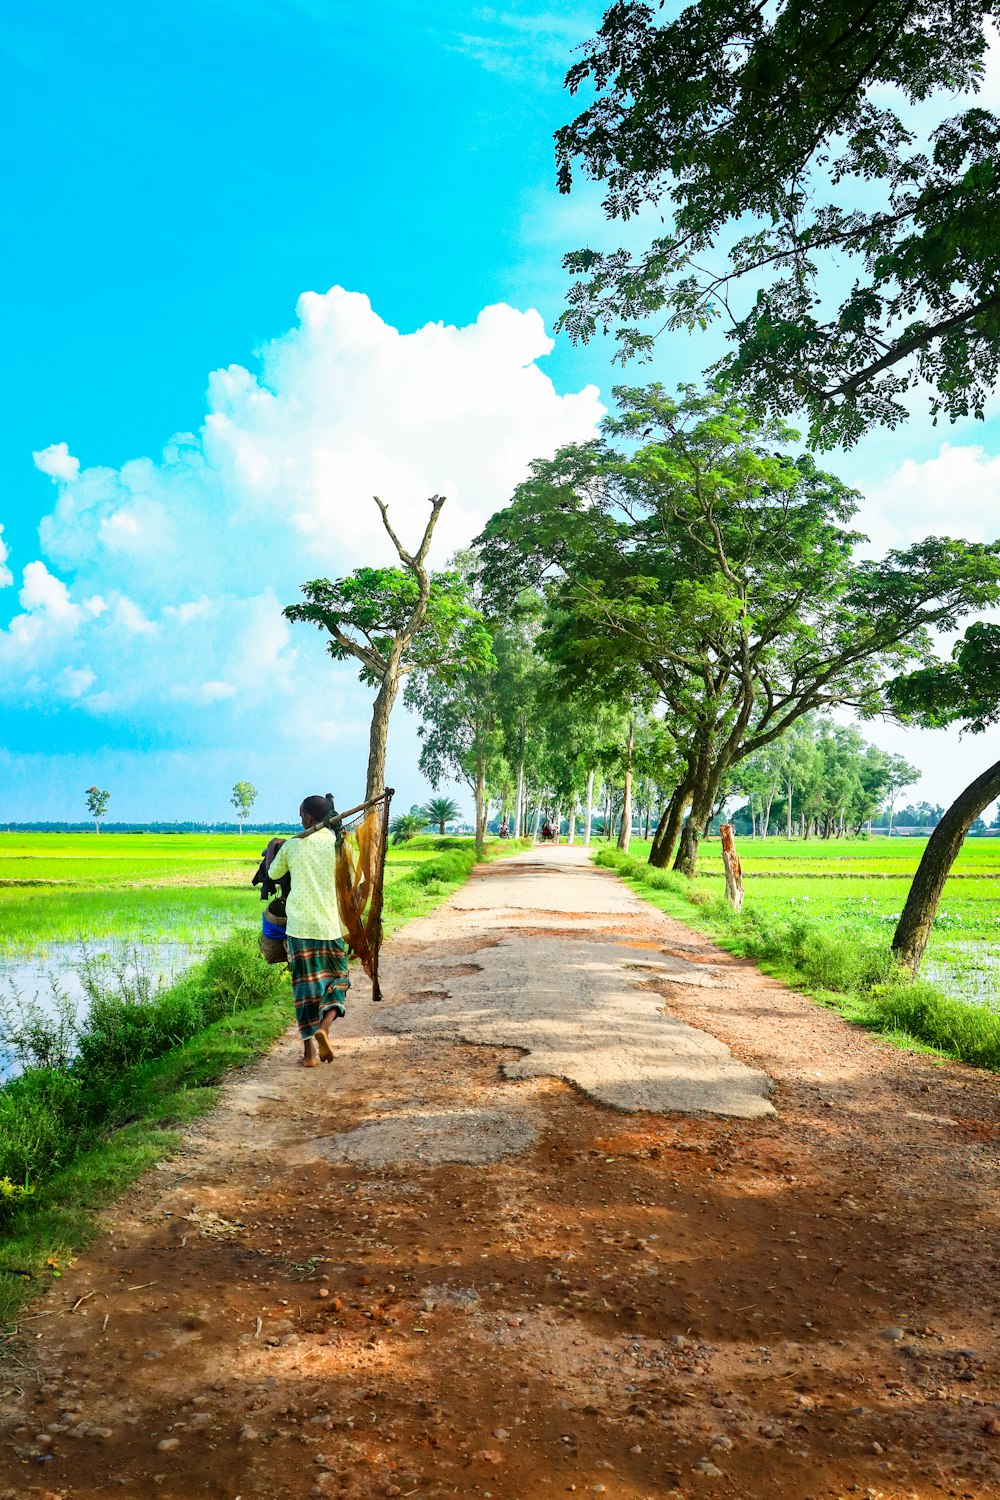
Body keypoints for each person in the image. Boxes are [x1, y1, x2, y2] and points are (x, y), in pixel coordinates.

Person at [266, 794, 350, 1068]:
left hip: (300, 929)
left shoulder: (293, 846)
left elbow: (273, 875)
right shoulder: (339, 846)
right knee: (338, 982)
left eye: (301, 815)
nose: (300, 819)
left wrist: (272, 848)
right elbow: (355, 876)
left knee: (304, 991)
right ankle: (324, 1027)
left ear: (308, 818)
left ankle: (309, 1055)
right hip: (330, 926)